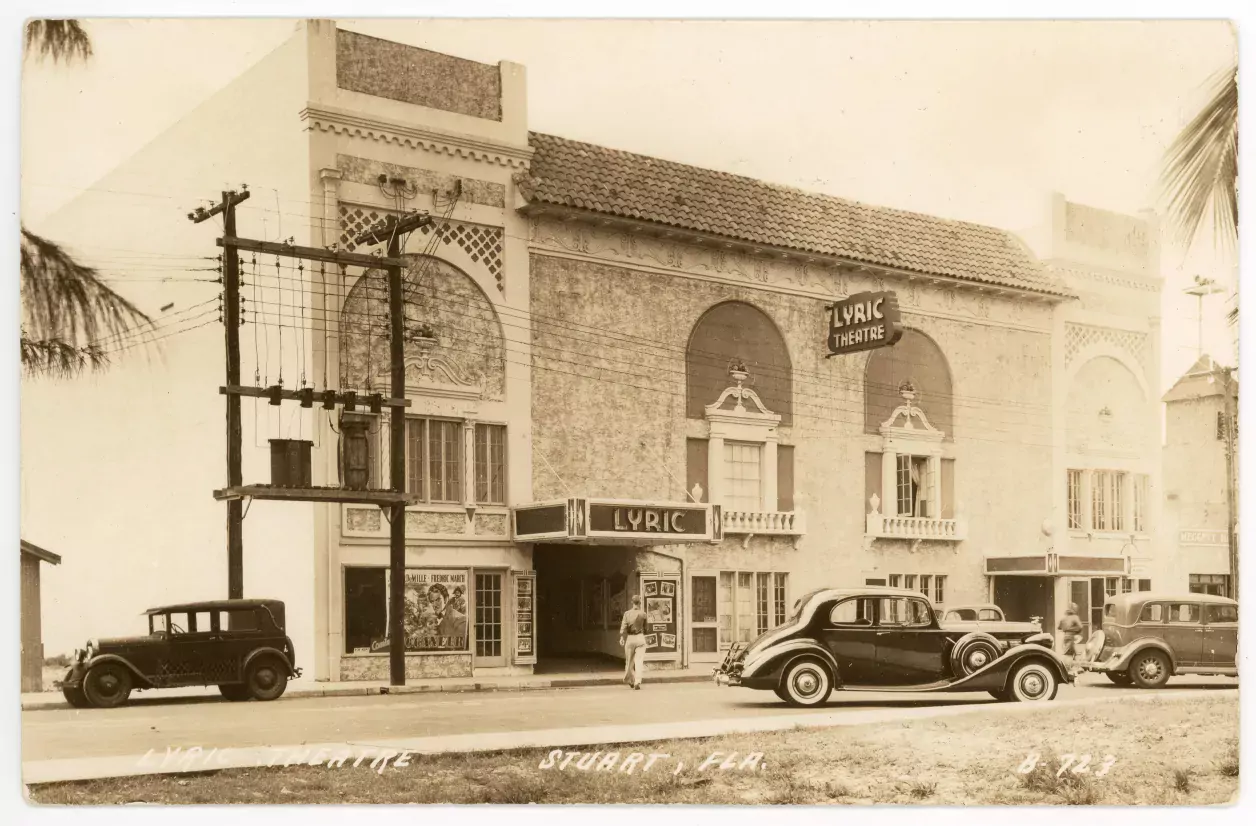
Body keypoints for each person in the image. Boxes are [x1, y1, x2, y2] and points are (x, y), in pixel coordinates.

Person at [619, 595, 648, 690]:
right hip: (640, 638)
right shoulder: (643, 614)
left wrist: (622, 637)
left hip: (630, 638)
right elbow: (647, 629)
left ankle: (630, 680)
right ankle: (637, 681)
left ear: (632, 602)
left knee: (629, 661)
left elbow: (623, 627)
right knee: (639, 661)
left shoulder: (627, 614)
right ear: (640, 603)